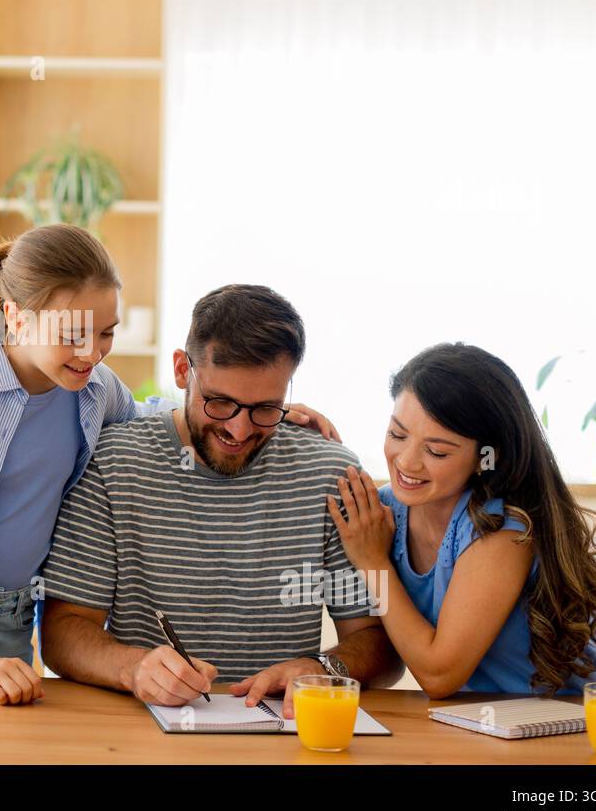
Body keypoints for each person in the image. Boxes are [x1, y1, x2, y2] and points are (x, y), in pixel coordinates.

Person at [0, 225, 345, 763]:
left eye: (106, 332)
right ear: (14, 317)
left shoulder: (93, 390)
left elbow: (156, 421)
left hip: (5, 626)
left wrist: (277, 415)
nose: (92, 352)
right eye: (73, 333)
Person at [39, 284, 404, 717]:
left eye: (266, 408)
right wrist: (135, 669)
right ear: (181, 370)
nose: (240, 430)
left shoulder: (330, 474)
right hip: (141, 734)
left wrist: (323, 667)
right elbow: (62, 634)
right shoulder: (113, 461)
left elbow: (383, 645)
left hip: (285, 736)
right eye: (220, 403)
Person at [328, 342, 596, 697]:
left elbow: (439, 676)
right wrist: (288, 420)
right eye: (397, 434)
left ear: (485, 458)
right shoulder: (383, 515)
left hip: (579, 725)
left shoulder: (501, 526)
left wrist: (373, 561)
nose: (407, 462)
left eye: (436, 450)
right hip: (484, 725)